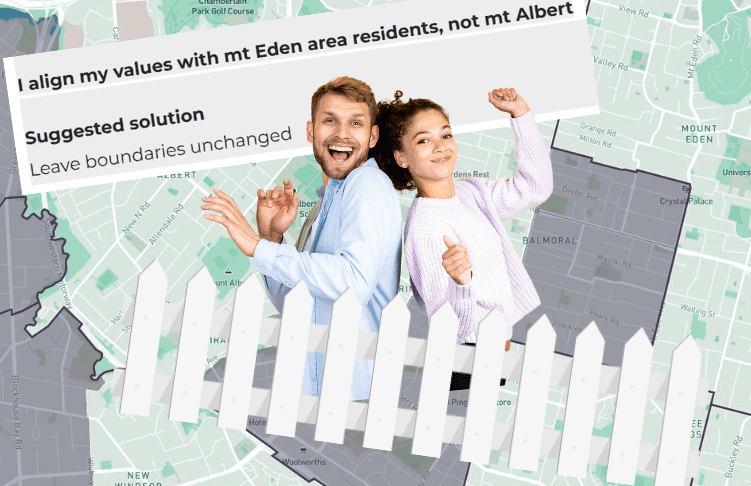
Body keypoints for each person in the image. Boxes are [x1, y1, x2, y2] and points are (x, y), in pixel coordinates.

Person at [201, 76, 403, 400]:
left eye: (356, 123)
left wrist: (256, 246)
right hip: (320, 394)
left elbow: (354, 284)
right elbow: (296, 304)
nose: (342, 134)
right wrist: (272, 236)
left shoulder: (367, 184)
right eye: (329, 121)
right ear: (311, 131)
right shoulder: (326, 204)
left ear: (373, 136)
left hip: (357, 398)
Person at [370, 87, 552, 389]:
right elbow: (449, 328)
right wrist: (462, 284)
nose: (440, 147)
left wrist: (521, 115)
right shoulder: (425, 226)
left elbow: (535, 188)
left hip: (495, 352)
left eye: (446, 135)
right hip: (468, 364)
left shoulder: (471, 194)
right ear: (402, 158)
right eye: (423, 140)